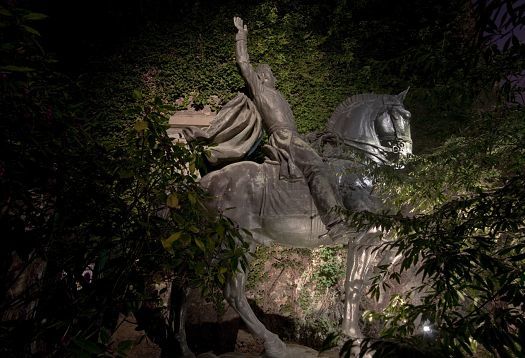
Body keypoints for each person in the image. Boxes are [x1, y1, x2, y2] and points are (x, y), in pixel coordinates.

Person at [233, 16, 348, 240]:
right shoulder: (260, 90)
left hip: (291, 137)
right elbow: (243, 64)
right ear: (263, 76)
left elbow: (292, 130)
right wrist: (241, 36)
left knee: (325, 162)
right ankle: (335, 223)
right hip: (282, 139)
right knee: (316, 166)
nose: (275, 76)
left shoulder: (279, 96)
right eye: (272, 73)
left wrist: (315, 135)